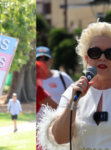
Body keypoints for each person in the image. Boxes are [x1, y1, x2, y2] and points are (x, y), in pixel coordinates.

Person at [37, 20, 111, 150]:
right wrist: (73, 102)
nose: (102, 58)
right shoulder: (72, 92)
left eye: (110, 53)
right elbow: (60, 138)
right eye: (95, 52)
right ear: (86, 58)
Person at [36, 46, 74, 123]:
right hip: (39, 129)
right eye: (39, 58)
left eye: (46, 58)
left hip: (60, 124)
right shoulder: (32, 81)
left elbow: (77, 96)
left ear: (51, 61)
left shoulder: (62, 76)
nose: (42, 61)